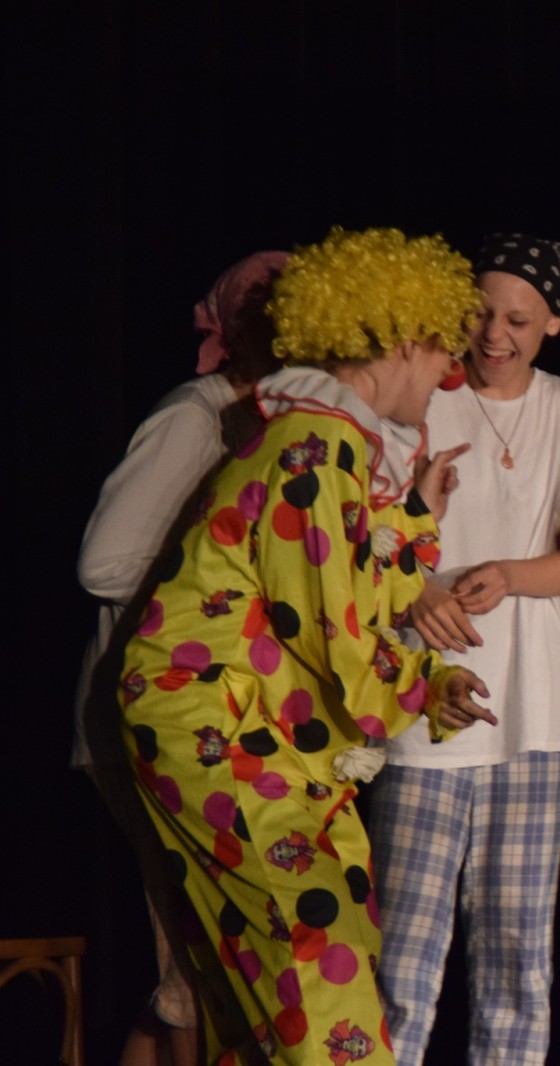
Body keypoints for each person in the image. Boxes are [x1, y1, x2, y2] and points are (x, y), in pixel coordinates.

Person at [117, 227, 497, 1065]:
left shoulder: (326, 444)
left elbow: (349, 585)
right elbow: (333, 628)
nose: (452, 373)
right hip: (213, 718)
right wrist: (419, 683)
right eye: (446, 350)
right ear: (407, 339)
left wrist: (425, 661)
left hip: (255, 721)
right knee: (317, 955)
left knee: (285, 971)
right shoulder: (311, 448)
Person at [365, 233, 560, 1065]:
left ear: (553, 324)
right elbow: (363, 539)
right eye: (482, 315)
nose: (495, 335)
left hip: (529, 714)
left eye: (519, 321)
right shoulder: (421, 391)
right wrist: (418, 587)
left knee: (518, 965)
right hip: (423, 708)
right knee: (403, 960)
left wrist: (509, 575)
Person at [77, 251, 288, 1066]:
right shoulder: (196, 416)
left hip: (213, 717)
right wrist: (217, 582)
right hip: (148, 714)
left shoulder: (277, 420)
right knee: (194, 960)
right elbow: (103, 564)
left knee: (198, 961)